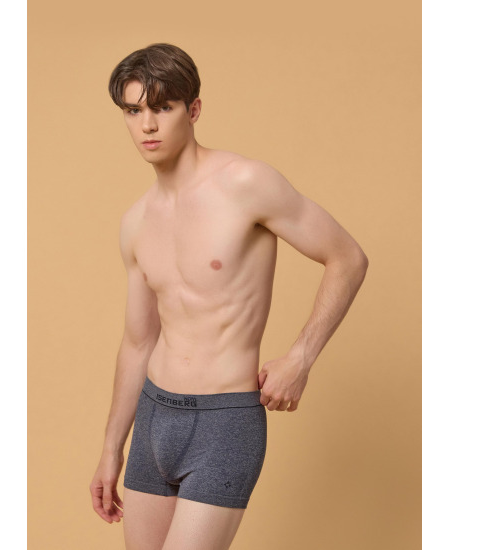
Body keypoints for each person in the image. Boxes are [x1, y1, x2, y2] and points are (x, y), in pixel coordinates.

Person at [89, 42, 369, 550]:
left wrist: (301, 357)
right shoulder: (135, 223)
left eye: (162, 107)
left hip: (224, 422)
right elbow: (137, 342)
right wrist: (111, 447)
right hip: (153, 419)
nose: (147, 125)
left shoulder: (245, 183)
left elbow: (347, 257)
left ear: (193, 109)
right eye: (133, 111)